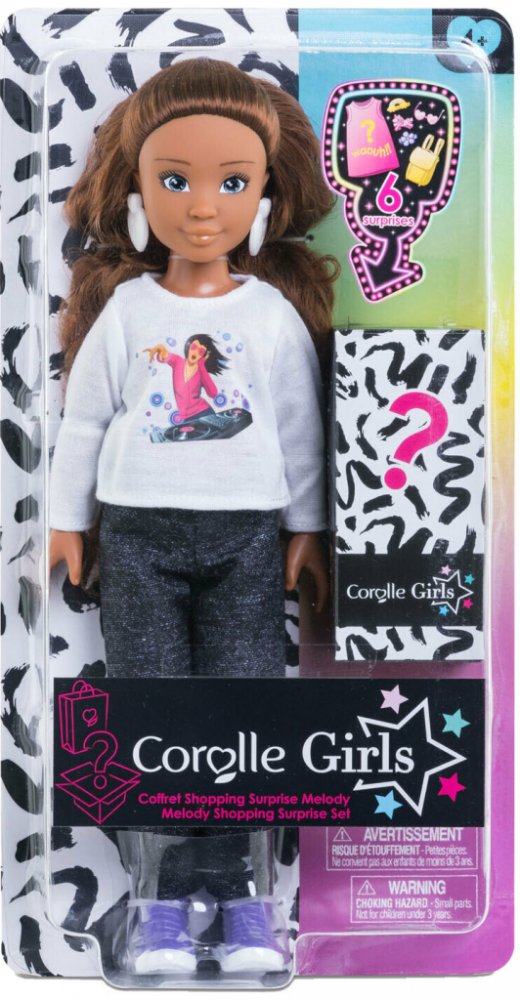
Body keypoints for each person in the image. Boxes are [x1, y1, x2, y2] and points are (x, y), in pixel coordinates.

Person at [49, 57, 337, 979]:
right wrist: (68, 521)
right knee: (154, 713)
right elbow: (84, 419)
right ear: (137, 190)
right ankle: (164, 905)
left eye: (231, 183)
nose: (204, 208)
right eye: (176, 181)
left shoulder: (270, 316)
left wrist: (307, 528)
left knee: (242, 710)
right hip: (137, 538)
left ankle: (246, 898)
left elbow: (300, 427)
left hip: (245, 538)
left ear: (265, 198)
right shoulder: (128, 310)